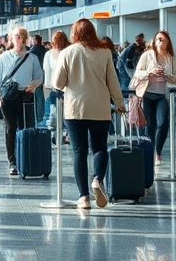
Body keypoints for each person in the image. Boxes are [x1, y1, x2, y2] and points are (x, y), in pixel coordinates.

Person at [53, 19, 125, 209]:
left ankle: (84, 198)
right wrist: (119, 103)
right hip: (100, 108)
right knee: (100, 148)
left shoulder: (67, 52)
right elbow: (113, 82)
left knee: (79, 151)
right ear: (93, 32)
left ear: (75, 33)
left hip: (75, 108)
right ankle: (97, 179)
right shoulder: (105, 53)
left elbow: (58, 83)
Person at [0, 26, 43, 177]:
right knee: (10, 128)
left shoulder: (32, 58)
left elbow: (39, 76)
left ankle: (25, 158)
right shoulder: (4, 57)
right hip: (8, 96)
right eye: (16, 36)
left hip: (25, 95)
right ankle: (13, 162)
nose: (19, 38)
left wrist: (34, 84)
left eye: (21, 36)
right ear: (11, 38)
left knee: (26, 127)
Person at [131, 31, 176, 165]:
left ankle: (157, 152)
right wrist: (150, 72)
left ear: (167, 43)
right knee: (150, 125)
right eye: (158, 39)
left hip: (162, 95)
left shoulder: (172, 58)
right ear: (154, 41)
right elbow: (137, 73)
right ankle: (151, 149)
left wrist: (168, 76)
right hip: (147, 94)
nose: (160, 41)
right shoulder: (147, 55)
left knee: (163, 122)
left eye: (163, 39)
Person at [42, 31, 69, 131]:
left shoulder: (48, 55)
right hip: (67, 87)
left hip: (53, 87)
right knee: (66, 113)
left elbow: (47, 72)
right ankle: (64, 133)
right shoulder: (68, 52)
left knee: (53, 113)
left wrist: (47, 87)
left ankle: (55, 134)